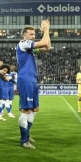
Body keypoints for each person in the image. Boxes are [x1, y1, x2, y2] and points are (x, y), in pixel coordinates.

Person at [16, 19, 51, 149]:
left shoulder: (30, 49)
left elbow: (47, 47)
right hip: (25, 80)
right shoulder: (23, 43)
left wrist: (47, 31)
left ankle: (27, 134)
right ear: (24, 35)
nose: (33, 36)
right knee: (26, 110)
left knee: (35, 109)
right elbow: (43, 42)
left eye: (34, 34)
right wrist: (46, 30)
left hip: (32, 80)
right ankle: (24, 140)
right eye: (31, 34)